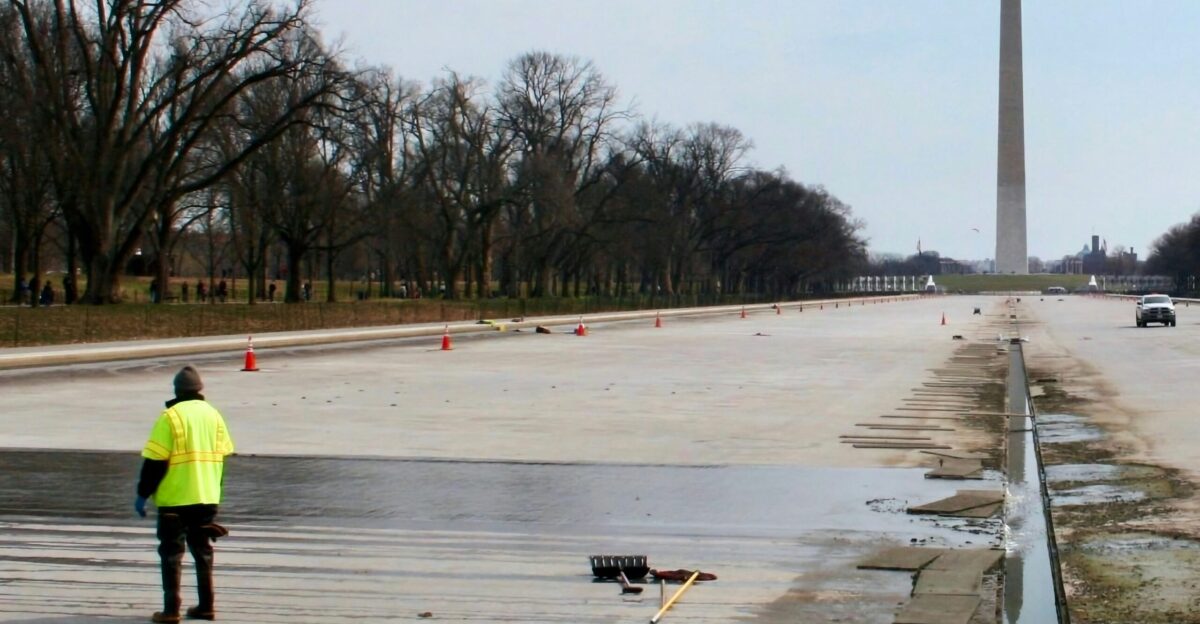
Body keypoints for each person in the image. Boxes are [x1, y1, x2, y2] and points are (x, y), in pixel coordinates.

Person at [135, 366, 235, 623]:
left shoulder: (170, 417)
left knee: (171, 553)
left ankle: (171, 611)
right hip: (206, 496)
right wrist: (215, 492)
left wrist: (142, 494)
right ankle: (206, 606)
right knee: (203, 552)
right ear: (199, 389)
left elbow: (155, 462)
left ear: (177, 390)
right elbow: (222, 458)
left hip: (175, 500)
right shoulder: (214, 415)